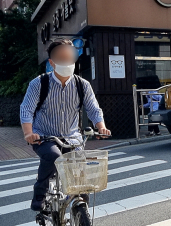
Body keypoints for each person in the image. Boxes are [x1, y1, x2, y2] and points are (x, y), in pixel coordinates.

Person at [20, 38, 111, 211]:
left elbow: (93, 108)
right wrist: (28, 133)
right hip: (44, 136)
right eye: (62, 59)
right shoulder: (39, 84)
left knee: (81, 178)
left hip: (72, 138)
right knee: (54, 156)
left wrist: (101, 127)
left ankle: (82, 222)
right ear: (52, 63)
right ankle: (40, 192)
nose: (67, 63)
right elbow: (27, 109)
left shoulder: (82, 85)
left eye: (70, 59)